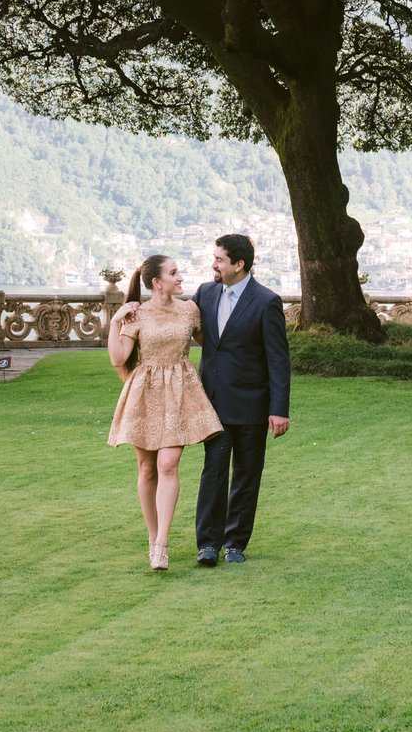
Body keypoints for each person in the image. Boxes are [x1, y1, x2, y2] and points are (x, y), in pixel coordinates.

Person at [114, 233, 290, 567]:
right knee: (214, 472)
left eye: (219, 259)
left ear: (238, 265)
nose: (213, 264)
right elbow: (173, 327)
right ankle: (207, 544)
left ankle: (235, 543)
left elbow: (278, 360)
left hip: (253, 402)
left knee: (247, 474)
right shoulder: (204, 296)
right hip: (212, 402)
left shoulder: (266, 301)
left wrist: (278, 409)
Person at [107, 253, 223, 570]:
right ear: (158, 282)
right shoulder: (138, 314)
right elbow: (119, 359)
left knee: (168, 463)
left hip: (180, 390)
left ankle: (161, 545)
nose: (180, 277)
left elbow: (213, 343)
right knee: (147, 469)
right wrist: (117, 320)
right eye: (174, 273)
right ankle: (152, 537)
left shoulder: (189, 309)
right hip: (145, 391)